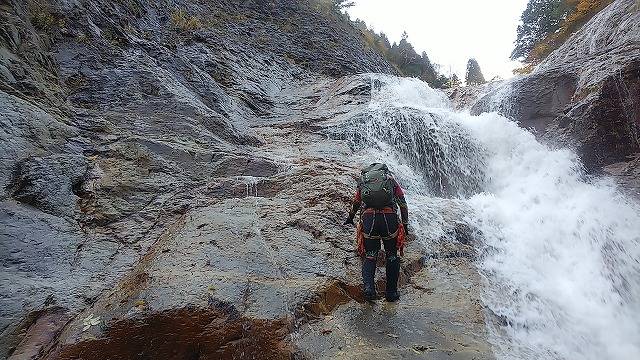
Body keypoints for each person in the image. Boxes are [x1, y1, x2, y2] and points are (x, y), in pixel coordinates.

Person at [343, 163, 409, 302]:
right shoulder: (390, 180)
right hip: (389, 218)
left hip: (369, 219)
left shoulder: (364, 181)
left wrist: (350, 218)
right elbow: (402, 204)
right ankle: (391, 293)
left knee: (370, 254)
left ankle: (369, 289)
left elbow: (356, 202)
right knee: (391, 255)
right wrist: (405, 224)